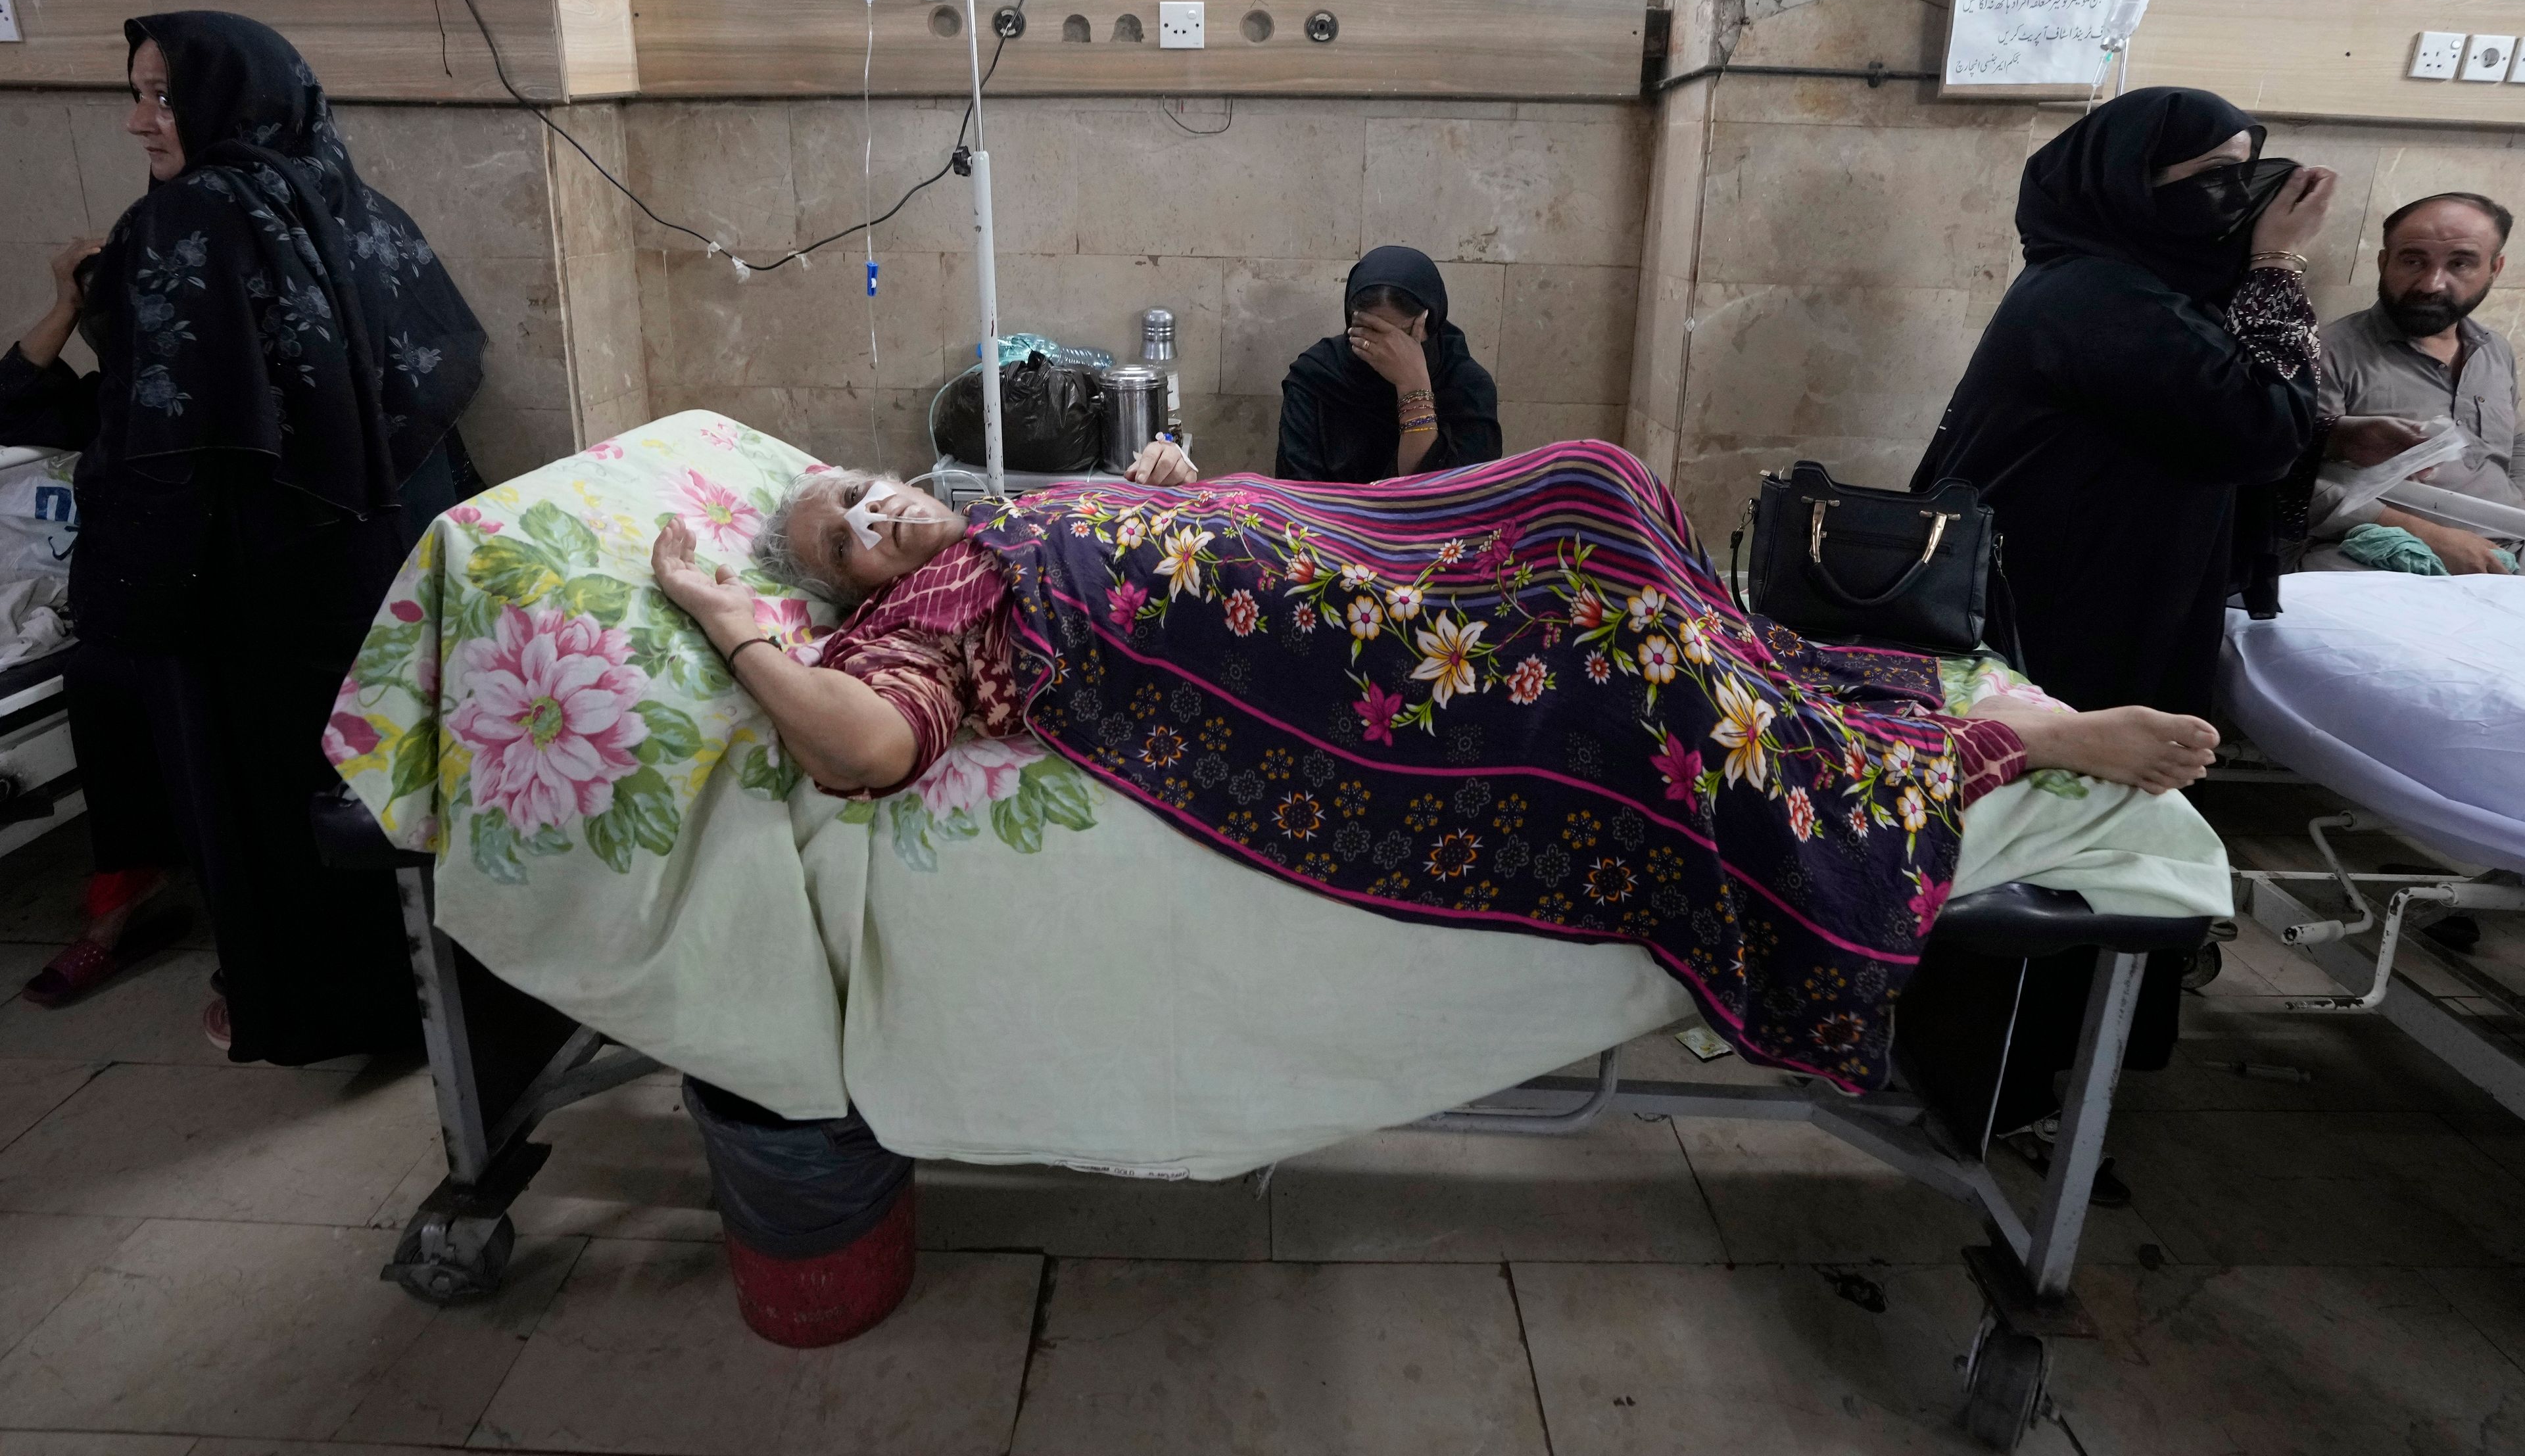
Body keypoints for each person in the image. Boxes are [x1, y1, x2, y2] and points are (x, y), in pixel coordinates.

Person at [650, 440, 2223, 1089]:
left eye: (858, 490)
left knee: (1595, 480)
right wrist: (734, 621)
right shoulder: (919, 610)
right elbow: (861, 746)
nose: (872, 521)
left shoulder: (993, 509)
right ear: (850, 592)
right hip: (1359, 661)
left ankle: (1790, 678)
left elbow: (1135, 535)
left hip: (1340, 549)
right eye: (839, 545)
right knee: (1643, 680)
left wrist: (1160, 492)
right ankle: (1993, 747)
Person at [0, 12, 485, 1058]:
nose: (138, 121)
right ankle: (443, 1005)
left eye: (163, 95)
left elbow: (169, 434)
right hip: (385, 560)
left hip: (264, 590)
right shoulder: (351, 200)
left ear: (230, 97)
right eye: (136, 93)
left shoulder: (188, 222)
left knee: (276, 799)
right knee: (387, 777)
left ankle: (321, 1007)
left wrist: (133, 601)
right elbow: (446, 366)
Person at [1906, 86, 2351, 1144]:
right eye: (2212, 180)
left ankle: (2054, 1066)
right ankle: (1995, 1086)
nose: (2240, 202)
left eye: (2251, 174)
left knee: (2094, 843)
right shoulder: (2095, 295)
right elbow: (2249, 425)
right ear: (2122, 187)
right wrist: (2280, 270)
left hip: (2122, 600)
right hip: (2070, 618)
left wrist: (2330, 433)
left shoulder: (2138, 291)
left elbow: (2234, 420)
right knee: (2058, 847)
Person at [2304, 192, 2520, 575]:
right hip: (2381, 554)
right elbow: (2290, 479)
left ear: (2494, 269)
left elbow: (2514, 445)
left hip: (2509, 548)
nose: (2432, 284)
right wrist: (2432, 536)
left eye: (2461, 263)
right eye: (2413, 260)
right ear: (2384, 262)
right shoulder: (2327, 354)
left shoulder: (2494, 350)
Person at [1274, 246, 1501, 482]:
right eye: (1372, 332)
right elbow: (1296, 493)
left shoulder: (1467, 388)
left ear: (1431, 322)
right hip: (1328, 519)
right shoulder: (1316, 378)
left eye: (1402, 336)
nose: (1387, 350)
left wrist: (1414, 387)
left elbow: (1457, 498)